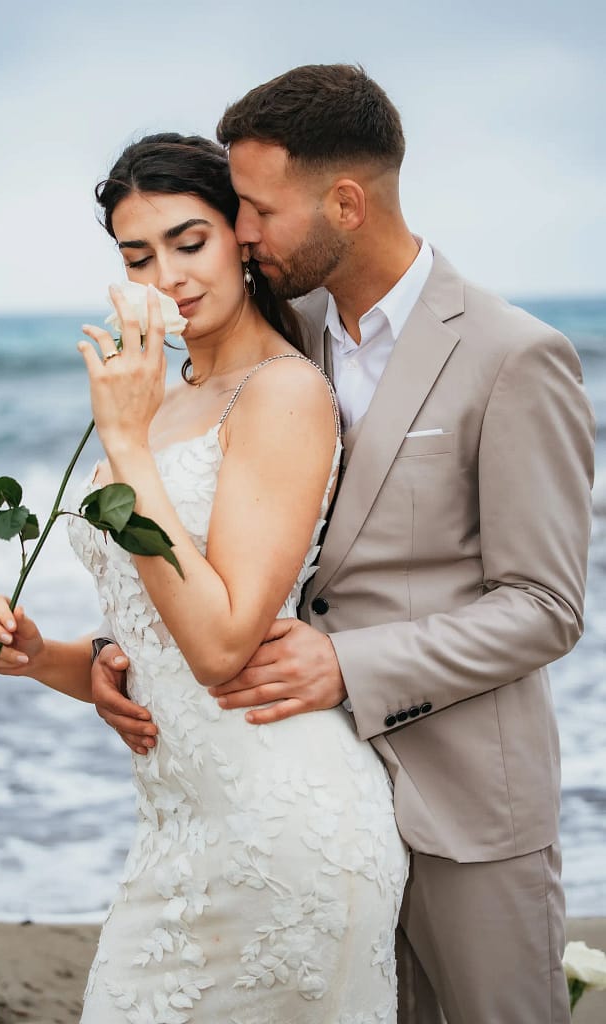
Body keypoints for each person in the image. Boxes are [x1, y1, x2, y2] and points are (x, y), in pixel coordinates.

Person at [93, 68, 596, 1023]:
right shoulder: (286, 329)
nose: (240, 234)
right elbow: (250, 539)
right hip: (301, 797)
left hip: (461, 804)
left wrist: (345, 663)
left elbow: (545, 607)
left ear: (346, 203)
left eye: (255, 210)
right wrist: (130, 647)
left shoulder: (511, 355)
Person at [0, 132, 409, 1022]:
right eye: (139, 255)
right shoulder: (164, 404)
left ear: (242, 241)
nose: (165, 274)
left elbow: (219, 643)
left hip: (284, 831)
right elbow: (153, 637)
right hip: (176, 829)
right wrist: (54, 658)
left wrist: (123, 439)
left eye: (189, 240)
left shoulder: (282, 394)